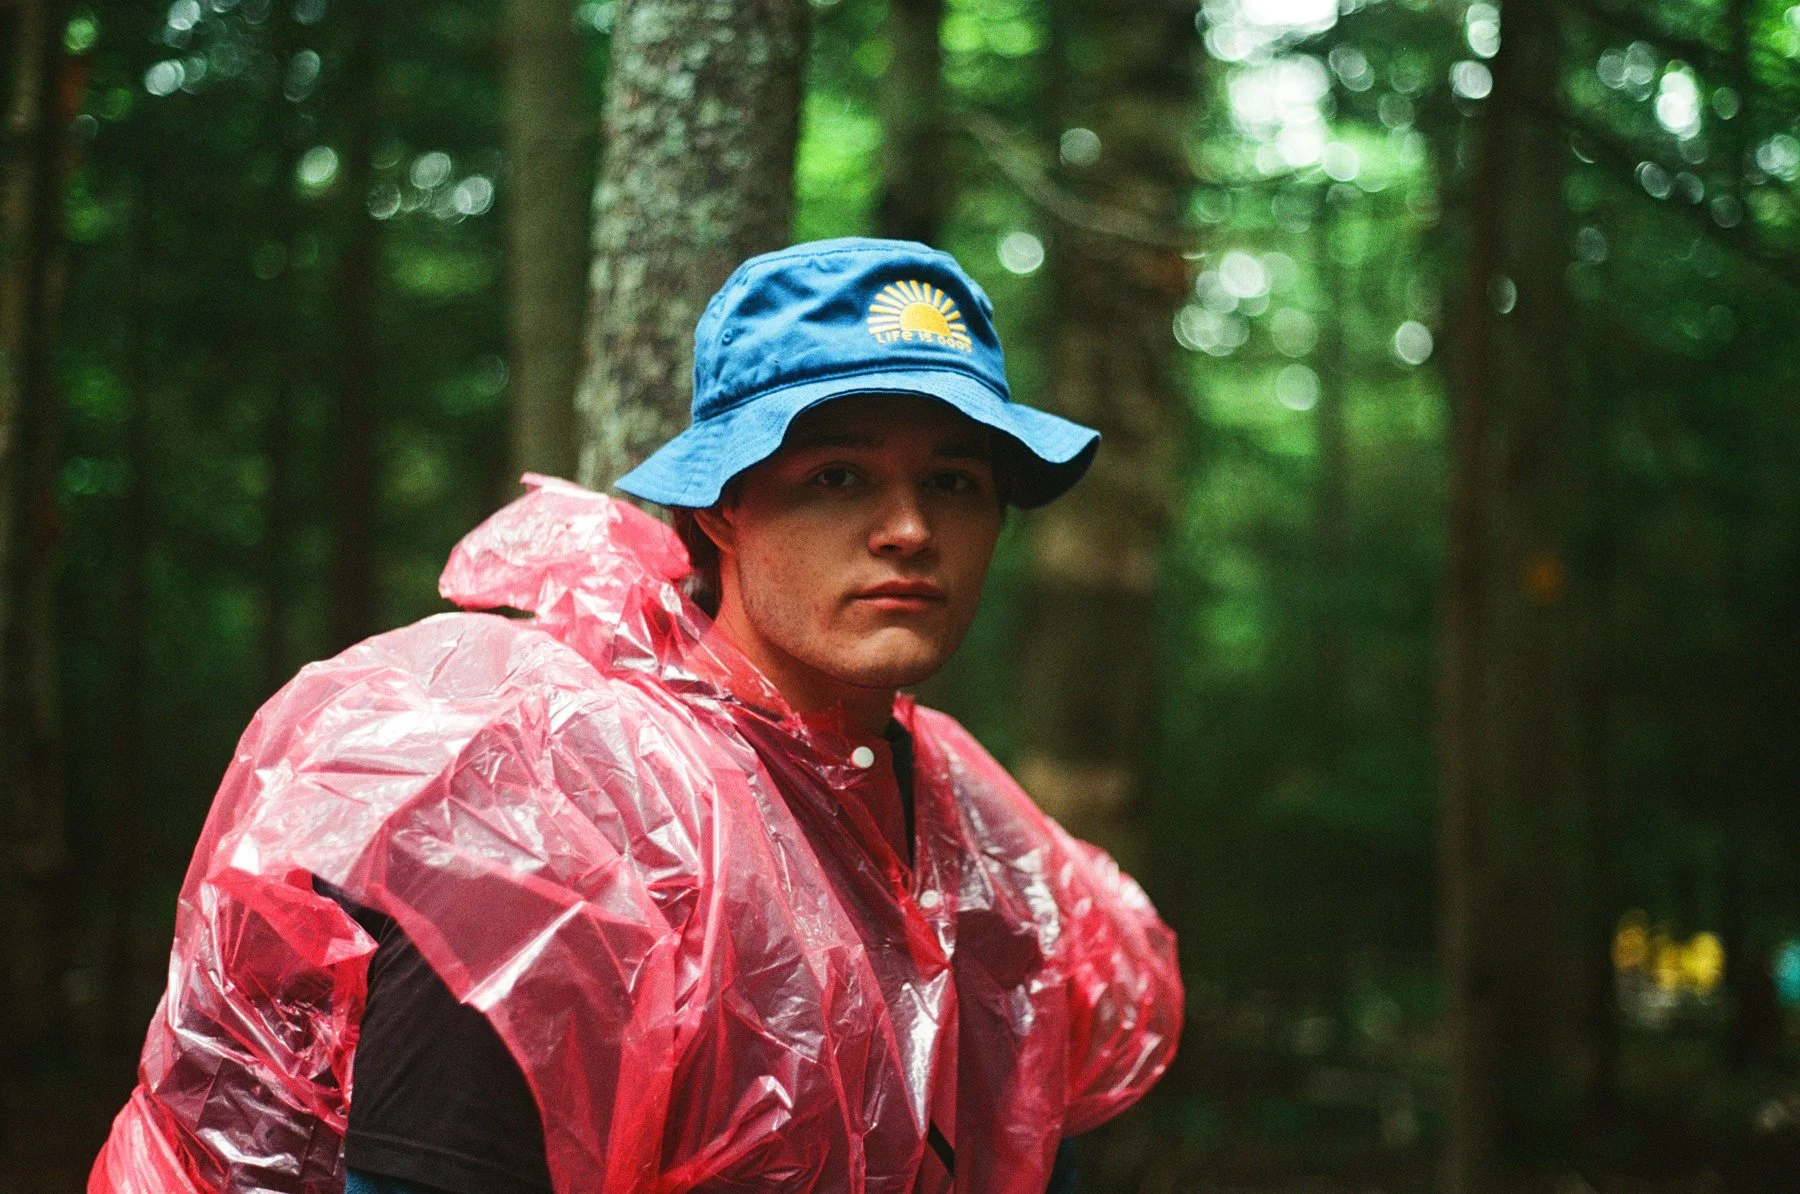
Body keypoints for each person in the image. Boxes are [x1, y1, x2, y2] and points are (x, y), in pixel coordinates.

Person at [91, 238, 1182, 1194]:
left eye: (954, 483)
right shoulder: (551, 814)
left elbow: (1030, 1148)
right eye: (840, 476)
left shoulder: (986, 843)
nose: (907, 529)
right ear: (724, 508)